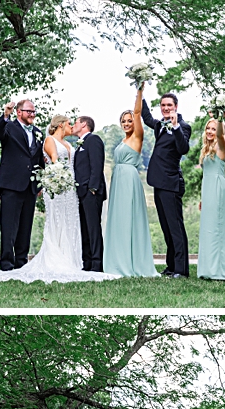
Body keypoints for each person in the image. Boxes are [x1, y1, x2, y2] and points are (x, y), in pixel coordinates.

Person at [0, 114, 111, 284]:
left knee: (71, 222)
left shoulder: (72, 144)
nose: (71, 127)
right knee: (57, 222)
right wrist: (56, 179)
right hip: (58, 186)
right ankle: (57, 257)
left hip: (71, 189)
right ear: (60, 125)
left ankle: (74, 259)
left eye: (74, 124)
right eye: (68, 124)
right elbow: (54, 162)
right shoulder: (50, 140)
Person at [104, 84, 156, 278]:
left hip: (130, 180)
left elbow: (137, 112)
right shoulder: (122, 141)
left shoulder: (137, 137)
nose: (127, 123)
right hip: (118, 180)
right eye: (123, 121)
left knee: (129, 218)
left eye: (129, 121)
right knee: (118, 219)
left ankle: (132, 262)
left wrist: (139, 92)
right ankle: (117, 260)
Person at [141, 90, 192, 276]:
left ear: (176, 107)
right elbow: (146, 118)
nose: (166, 108)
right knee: (166, 227)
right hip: (158, 182)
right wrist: (140, 92)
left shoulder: (184, 126)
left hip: (171, 183)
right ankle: (171, 267)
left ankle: (181, 269)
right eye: (163, 105)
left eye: (169, 105)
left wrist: (177, 127)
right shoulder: (160, 125)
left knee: (176, 227)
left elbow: (184, 148)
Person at [0, 97, 44, 271]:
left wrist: (40, 181)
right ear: (19, 112)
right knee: (9, 225)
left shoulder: (38, 132)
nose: (32, 114)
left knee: (25, 226)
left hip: (30, 186)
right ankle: (6, 263)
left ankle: (22, 262)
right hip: (11, 184)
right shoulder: (9, 128)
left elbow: (37, 159)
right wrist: (5, 114)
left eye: (34, 111)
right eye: (29, 111)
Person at [197, 118, 225, 280]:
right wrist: (202, 198)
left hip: (218, 189)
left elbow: (221, 135)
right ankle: (208, 268)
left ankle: (220, 269)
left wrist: (220, 116)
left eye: (213, 129)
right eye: (208, 128)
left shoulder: (221, 145)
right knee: (209, 228)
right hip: (208, 190)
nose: (209, 131)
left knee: (218, 228)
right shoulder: (206, 149)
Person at [72, 116, 106, 272]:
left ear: (84, 124)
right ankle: (87, 263)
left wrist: (92, 188)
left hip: (91, 192)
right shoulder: (80, 145)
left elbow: (97, 165)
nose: (74, 125)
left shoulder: (93, 140)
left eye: (76, 123)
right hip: (81, 193)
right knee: (85, 229)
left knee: (93, 228)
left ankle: (97, 263)